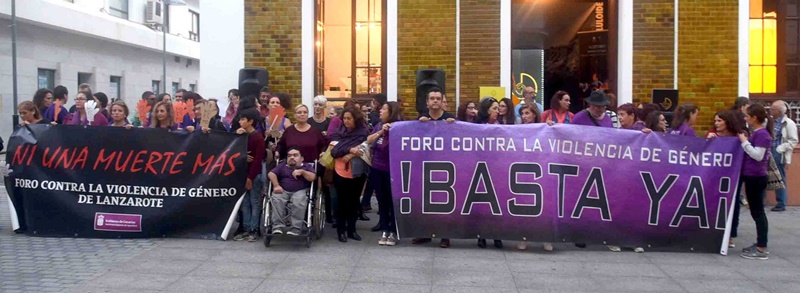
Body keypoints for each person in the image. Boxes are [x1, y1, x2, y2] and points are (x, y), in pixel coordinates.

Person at [705, 110, 745, 248]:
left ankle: (730, 235)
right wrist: (708, 141)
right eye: (715, 121)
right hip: (714, 175)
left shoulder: (738, 136)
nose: (716, 124)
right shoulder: (712, 135)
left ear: (727, 122)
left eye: (719, 121)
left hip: (733, 175)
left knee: (733, 205)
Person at [330, 106, 370, 243]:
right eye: (344, 118)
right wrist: (350, 149)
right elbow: (334, 151)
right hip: (340, 170)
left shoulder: (363, 132)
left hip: (358, 170)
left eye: (349, 118)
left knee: (354, 201)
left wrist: (350, 153)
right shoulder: (338, 132)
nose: (346, 121)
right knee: (342, 202)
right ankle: (341, 231)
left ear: (355, 119)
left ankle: (352, 230)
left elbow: (365, 148)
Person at [367, 101, 404, 246]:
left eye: (383, 109)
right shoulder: (378, 126)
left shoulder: (400, 127)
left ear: (391, 112)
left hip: (393, 170)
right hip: (377, 168)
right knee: (381, 201)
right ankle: (384, 228)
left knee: (392, 201)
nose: (380, 111)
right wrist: (381, 131)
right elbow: (369, 140)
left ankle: (394, 231)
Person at [739, 103, 772, 260]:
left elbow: (758, 155)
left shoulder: (762, 135)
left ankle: (761, 247)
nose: (746, 119)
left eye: (747, 116)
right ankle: (760, 244)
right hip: (752, 175)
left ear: (754, 118)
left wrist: (744, 142)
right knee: (756, 211)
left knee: (758, 211)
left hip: (756, 176)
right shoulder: (758, 133)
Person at [234, 108, 267, 242]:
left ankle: (254, 229)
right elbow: (234, 152)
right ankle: (246, 228)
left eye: (243, 119)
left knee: (254, 201)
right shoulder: (242, 135)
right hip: (243, 172)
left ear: (251, 121)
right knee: (245, 203)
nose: (240, 122)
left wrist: (250, 177)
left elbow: (258, 159)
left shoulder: (258, 137)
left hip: (254, 174)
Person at [268, 147, 316, 235]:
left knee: (298, 200)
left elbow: (312, 178)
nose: (292, 157)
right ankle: (277, 226)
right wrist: (276, 185)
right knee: (277, 198)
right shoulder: (282, 166)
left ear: (302, 158)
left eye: (295, 155)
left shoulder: (306, 166)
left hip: (300, 190)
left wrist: (302, 172)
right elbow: (271, 173)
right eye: (289, 156)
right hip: (284, 190)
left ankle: (296, 228)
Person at [769, 100, 798, 212]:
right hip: (768, 151)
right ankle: (761, 201)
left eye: (772, 109)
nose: (770, 110)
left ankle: (781, 203)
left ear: (779, 111)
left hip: (778, 153)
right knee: (763, 176)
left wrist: (780, 148)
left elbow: (793, 140)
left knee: (779, 177)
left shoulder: (789, 123)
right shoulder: (770, 121)